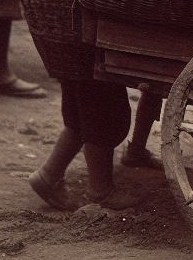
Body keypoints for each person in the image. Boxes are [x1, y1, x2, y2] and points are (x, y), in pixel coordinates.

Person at [29, 77, 139, 211]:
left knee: (79, 114)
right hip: (92, 65)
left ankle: (48, 173)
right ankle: (101, 190)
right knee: (104, 116)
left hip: (73, 63)